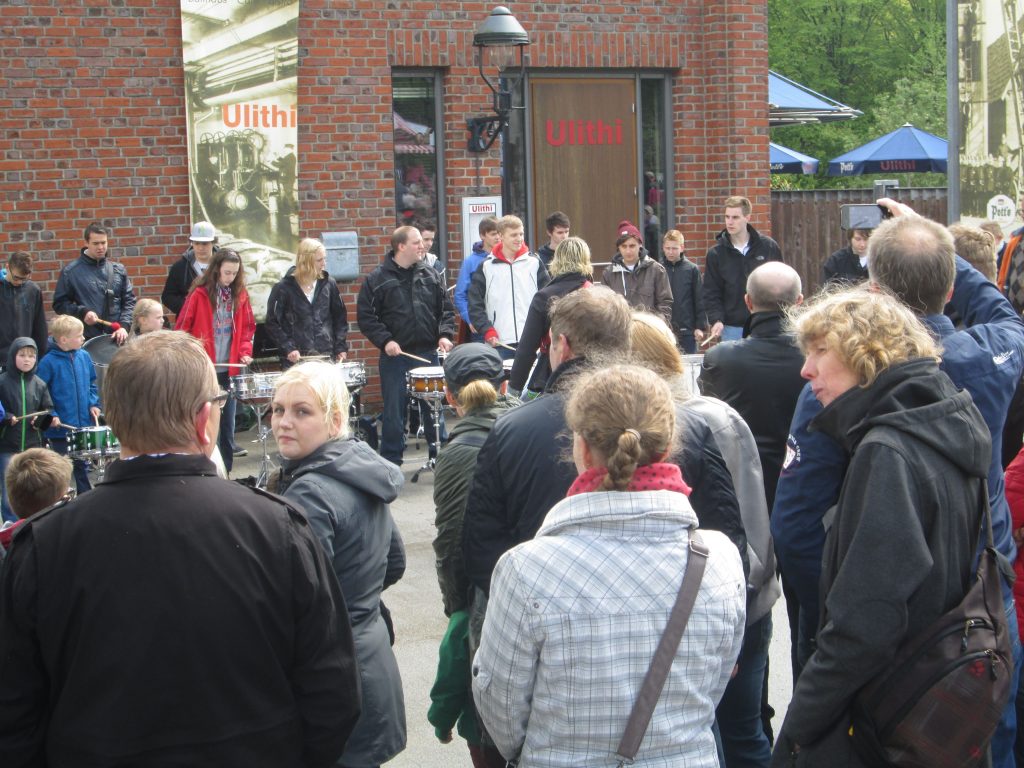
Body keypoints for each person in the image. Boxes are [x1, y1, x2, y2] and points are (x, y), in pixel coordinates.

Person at [0, 331, 361, 766]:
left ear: (113, 419)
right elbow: (333, 692)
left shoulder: (42, 545)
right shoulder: (279, 529)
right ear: (203, 419)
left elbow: (14, 712)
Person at [771, 203, 1024, 768]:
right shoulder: (991, 354)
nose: (810, 369)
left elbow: (797, 527)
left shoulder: (847, 390)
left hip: (887, 631)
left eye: (818, 353)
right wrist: (939, 252)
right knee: (983, 741)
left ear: (875, 294)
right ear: (950, 287)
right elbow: (1002, 311)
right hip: (983, 607)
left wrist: (827, 625)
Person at [472, 364, 746, 767]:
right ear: (667, 447)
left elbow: (501, 709)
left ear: (582, 449)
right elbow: (715, 686)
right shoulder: (720, 559)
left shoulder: (526, 570)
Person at [633, 310, 780, 767]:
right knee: (744, 730)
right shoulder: (717, 415)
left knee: (723, 733)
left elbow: (739, 519)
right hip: (744, 596)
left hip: (720, 602)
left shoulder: (693, 423)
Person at [270, 360, 407, 768]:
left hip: (334, 676)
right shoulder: (358, 469)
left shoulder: (310, 492)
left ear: (334, 421)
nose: (284, 422)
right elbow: (393, 562)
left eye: (301, 411)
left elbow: (299, 602)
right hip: (369, 659)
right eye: (278, 409)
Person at [462, 286, 632, 600]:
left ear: (562, 346)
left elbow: (481, 548)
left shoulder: (512, 429)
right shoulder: (672, 424)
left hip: (539, 602)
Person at [431, 343, 517, 768]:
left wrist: (457, 610)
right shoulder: (532, 428)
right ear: (504, 386)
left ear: (450, 396)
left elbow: (451, 542)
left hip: (487, 598)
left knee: (489, 729)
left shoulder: (456, 453)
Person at [699, 261, 805, 510]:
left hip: (741, 489)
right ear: (799, 301)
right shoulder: (819, 359)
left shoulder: (720, 359)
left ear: (748, 302)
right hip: (806, 487)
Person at [356, 225, 456, 466]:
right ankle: (391, 462)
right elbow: (366, 317)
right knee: (394, 412)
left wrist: (444, 335)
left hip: (427, 353)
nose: (422, 246)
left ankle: (440, 457)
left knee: (433, 409)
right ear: (401, 246)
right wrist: (385, 341)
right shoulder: (377, 279)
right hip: (395, 357)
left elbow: (446, 310)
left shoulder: (431, 275)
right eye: (416, 242)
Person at [174, 248, 256, 472]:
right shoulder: (199, 294)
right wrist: (192, 355)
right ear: (216, 269)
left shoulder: (240, 294)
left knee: (227, 426)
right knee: (203, 424)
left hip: (228, 369)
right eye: (227, 272)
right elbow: (182, 328)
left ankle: (226, 472)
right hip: (204, 370)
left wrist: (244, 351)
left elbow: (248, 328)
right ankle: (203, 470)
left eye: (234, 273)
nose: (230, 278)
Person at [507, 236, 592, 397]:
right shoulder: (597, 295)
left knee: (525, 406)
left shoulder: (544, 297)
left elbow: (527, 348)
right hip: (592, 373)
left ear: (557, 260)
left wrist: (513, 389)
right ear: (585, 259)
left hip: (552, 374)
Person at [703, 196, 783, 342]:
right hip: (731, 327)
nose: (730, 222)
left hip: (765, 324)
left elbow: (781, 283)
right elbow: (711, 292)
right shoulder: (716, 254)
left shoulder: (768, 247)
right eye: (727, 217)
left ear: (747, 217)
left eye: (735, 217)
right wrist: (716, 319)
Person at [468, 214, 549, 358]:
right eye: (513, 235)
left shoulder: (535, 263)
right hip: (499, 343)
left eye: (521, 234)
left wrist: (543, 329)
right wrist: (487, 330)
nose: (519, 239)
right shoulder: (486, 266)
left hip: (532, 341)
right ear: (501, 236)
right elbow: (474, 304)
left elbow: (549, 299)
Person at [37, 315, 100, 494]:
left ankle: (85, 497)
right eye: (79, 336)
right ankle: (61, 498)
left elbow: (92, 384)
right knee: (63, 467)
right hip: (60, 428)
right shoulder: (48, 362)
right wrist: (52, 415)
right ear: (64, 339)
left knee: (82, 466)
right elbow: (41, 393)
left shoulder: (84, 356)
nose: (83, 338)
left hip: (82, 425)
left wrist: (94, 404)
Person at [265, 237, 349, 368]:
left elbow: (340, 318)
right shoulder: (283, 288)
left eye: (324, 259)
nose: (324, 264)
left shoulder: (329, 284)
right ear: (306, 261)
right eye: (319, 260)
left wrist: (340, 346)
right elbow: (272, 323)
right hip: (296, 360)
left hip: (326, 356)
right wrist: (288, 347)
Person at [0, 338, 57, 522]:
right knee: (9, 492)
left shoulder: (39, 384)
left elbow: (47, 410)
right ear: (12, 356)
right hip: (8, 445)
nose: (27, 360)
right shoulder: (2, 382)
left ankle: (34, 524)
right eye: (22, 355)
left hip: (33, 445)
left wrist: (40, 420)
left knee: (34, 487)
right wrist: (7, 417)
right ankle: (10, 528)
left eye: (31, 356)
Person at [53, 222, 135, 344]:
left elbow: (129, 302)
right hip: (85, 339)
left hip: (117, 338)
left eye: (103, 243)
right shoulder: (70, 272)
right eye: (96, 243)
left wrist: (124, 326)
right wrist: (82, 312)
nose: (100, 247)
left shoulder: (119, 270)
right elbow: (60, 304)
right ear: (86, 243)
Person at [0, 448, 71, 556]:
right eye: (69, 494)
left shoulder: (6, 542)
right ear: (59, 503)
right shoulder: (66, 546)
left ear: (10, 502)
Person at [601, 219, 672, 323]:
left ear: (640, 245)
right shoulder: (608, 274)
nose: (628, 251)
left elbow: (665, 304)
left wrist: (656, 325)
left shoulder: (656, 270)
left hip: (648, 329)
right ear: (618, 248)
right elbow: (604, 306)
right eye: (624, 246)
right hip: (620, 330)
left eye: (632, 246)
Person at [454, 216, 500, 339]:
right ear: (482, 235)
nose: (498, 237)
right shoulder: (470, 262)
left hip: (503, 323)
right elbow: (460, 295)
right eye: (493, 234)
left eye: (499, 233)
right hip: (480, 325)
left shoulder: (506, 258)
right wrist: (470, 319)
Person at [162, 220, 218, 318]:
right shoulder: (180, 267)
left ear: (213, 243)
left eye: (205, 243)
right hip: (189, 321)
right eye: (196, 243)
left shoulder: (223, 265)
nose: (200, 248)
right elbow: (167, 297)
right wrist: (189, 307)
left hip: (219, 320)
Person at [661, 229, 706, 352]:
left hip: (687, 330)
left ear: (682, 248)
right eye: (668, 248)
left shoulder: (692, 269)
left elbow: (699, 299)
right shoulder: (659, 269)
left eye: (674, 248)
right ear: (663, 248)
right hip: (664, 329)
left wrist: (699, 327)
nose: (670, 252)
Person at [0, 251, 47, 367]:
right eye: (16, 278)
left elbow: (40, 326)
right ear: (7, 267)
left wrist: (39, 356)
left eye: (24, 279)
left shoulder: (33, 290)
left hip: (26, 358)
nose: (19, 282)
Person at [273, 143, 297, 214]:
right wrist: (278, 157)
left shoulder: (289, 157)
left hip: (287, 180)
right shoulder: (291, 156)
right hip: (288, 179)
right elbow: (284, 162)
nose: (284, 150)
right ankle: (290, 211)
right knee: (288, 196)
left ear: (289, 149)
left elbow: (279, 164)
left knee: (289, 196)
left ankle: (293, 212)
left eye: (285, 149)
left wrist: (271, 161)